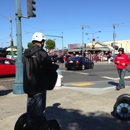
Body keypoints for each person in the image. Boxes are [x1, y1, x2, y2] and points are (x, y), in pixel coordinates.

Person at [23, 32, 59, 130]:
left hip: (28, 85)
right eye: (43, 41)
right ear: (42, 41)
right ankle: (39, 127)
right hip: (39, 85)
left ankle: (29, 126)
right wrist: (55, 66)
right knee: (39, 111)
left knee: (30, 108)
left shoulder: (26, 53)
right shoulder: (42, 53)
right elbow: (48, 68)